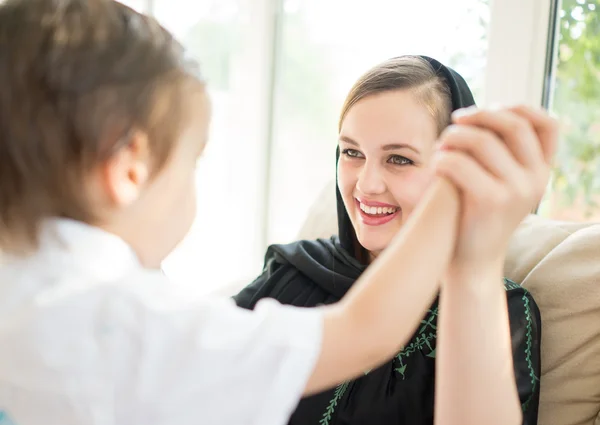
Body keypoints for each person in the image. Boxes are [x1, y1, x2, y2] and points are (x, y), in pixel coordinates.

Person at [234, 56, 549, 425]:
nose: (367, 185)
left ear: (454, 172)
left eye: (399, 159)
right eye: (352, 153)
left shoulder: (497, 308)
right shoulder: (292, 270)